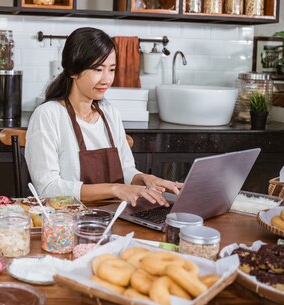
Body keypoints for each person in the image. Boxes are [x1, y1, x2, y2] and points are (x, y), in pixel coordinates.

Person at [25, 27, 180, 207]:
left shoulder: (110, 113)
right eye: (98, 69)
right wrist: (114, 189)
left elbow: (126, 170)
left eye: (112, 69)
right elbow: (47, 189)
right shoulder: (48, 115)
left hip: (114, 218)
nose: (107, 79)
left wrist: (144, 179)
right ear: (73, 71)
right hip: (68, 221)